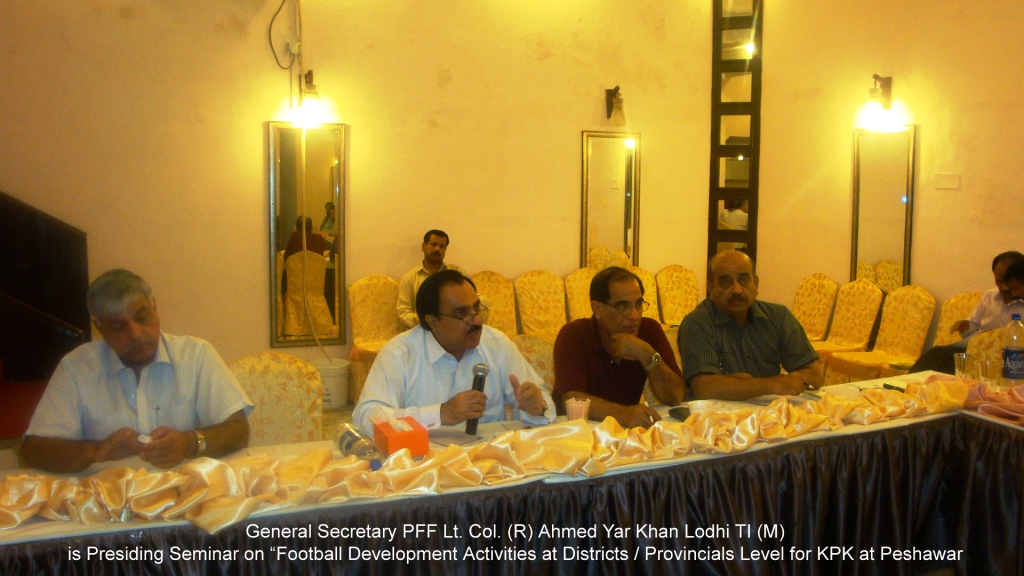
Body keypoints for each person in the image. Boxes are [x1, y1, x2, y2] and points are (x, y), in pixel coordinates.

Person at [22, 269, 252, 473]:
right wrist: (95, 451)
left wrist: (189, 443)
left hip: (185, 492)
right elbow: (33, 450)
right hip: (105, 499)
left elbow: (239, 431)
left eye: (142, 318)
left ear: (155, 307)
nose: (135, 334)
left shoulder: (195, 354)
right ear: (99, 327)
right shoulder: (76, 367)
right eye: (118, 326)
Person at [353, 270, 554, 435]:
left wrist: (537, 407)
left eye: (476, 308)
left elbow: (543, 401)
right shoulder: (399, 353)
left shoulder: (496, 344)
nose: (477, 320)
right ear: (432, 321)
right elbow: (366, 416)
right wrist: (440, 414)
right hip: (425, 463)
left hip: (491, 460)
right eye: (462, 313)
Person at [678, 250, 822, 401]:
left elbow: (815, 375)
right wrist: (773, 384)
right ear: (711, 288)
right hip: (720, 414)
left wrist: (738, 385)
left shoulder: (779, 317)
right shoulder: (696, 324)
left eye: (744, 280)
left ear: (756, 283)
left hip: (772, 412)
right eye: (726, 283)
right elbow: (704, 389)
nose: (737, 290)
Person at [553, 267, 685, 428]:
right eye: (623, 307)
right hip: (578, 431)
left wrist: (646, 354)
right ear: (597, 309)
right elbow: (571, 399)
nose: (635, 316)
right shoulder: (574, 335)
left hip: (626, 433)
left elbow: (675, 396)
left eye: (638, 304)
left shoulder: (649, 330)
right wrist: (623, 414)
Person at [910, 251, 1024, 373]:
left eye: (1009, 283)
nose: (1004, 287)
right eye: (999, 281)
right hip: (976, 350)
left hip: (1009, 358)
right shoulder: (990, 296)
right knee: (937, 355)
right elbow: (975, 325)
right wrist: (967, 326)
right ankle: (908, 385)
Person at [397, 230, 467, 329]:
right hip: (423, 329)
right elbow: (403, 311)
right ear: (423, 246)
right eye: (433, 244)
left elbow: (470, 300)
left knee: (483, 302)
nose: (437, 249)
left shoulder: (457, 273)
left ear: (445, 249)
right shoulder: (410, 278)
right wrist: (428, 322)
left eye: (441, 246)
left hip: (453, 329)